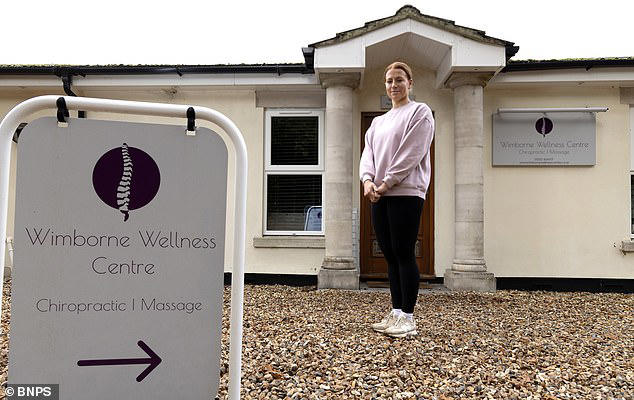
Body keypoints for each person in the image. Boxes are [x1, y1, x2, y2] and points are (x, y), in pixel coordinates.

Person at [359, 61, 434, 338]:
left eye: (399, 80)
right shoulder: (378, 122)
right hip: (379, 194)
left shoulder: (420, 112)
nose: (394, 85)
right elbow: (368, 154)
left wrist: (385, 182)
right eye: (390, 80)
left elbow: (410, 154)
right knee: (389, 255)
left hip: (406, 192)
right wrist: (368, 181)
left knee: (403, 252)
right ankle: (396, 312)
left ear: (410, 83)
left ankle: (409, 318)